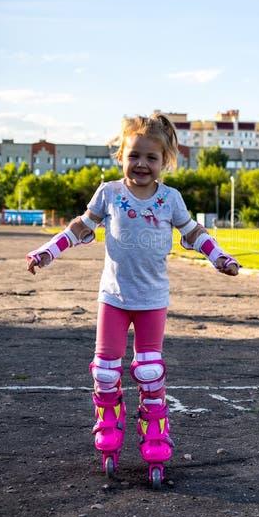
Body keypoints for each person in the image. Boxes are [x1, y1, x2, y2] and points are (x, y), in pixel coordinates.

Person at [26, 113, 239, 488]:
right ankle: (109, 422)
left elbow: (193, 232)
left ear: (165, 160)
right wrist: (47, 252)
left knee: (149, 370)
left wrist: (220, 257)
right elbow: (81, 227)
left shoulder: (170, 199)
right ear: (120, 155)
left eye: (151, 158)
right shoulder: (109, 193)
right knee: (106, 372)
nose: (141, 164)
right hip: (114, 298)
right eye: (134, 155)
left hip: (152, 300)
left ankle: (155, 431)